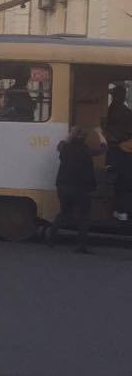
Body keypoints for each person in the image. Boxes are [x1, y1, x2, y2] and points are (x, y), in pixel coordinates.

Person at [47, 126, 106, 253]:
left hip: (63, 186)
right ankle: (81, 245)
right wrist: (99, 133)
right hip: (82, 188)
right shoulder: (86, 150)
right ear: (85, 138)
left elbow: (62, 143)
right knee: (84, 216)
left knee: (64, 213)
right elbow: (103, 148)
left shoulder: (64, 148)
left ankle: (51, 238)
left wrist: (71, 133)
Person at [103, 85, 132, 222]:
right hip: (122, 149)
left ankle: (118, 210)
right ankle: (122, 210)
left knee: (120, 182)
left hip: (117, 149)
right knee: (125, 182)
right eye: (123, 93)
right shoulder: (120, 110)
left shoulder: (113, 108)